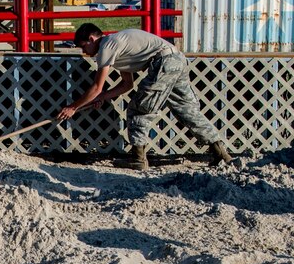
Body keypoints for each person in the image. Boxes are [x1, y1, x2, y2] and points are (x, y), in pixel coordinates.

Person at [59, 23, 231, 171]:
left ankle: (138, 159)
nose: (86, 53)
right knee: (187, 111)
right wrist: (103, 97)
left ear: (91, 39)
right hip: (177, 59)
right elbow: (127, 84)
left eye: (84, 47)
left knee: (138, 109)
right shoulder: (120, 46)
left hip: (163, 63)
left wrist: (72, 107)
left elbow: (96, 87)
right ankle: (220, 153)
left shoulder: (106, 46)